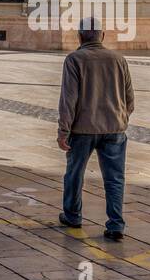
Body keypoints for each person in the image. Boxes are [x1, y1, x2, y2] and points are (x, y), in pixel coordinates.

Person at [57, 18, 135, 241]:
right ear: (102, 36)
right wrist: (120, 117)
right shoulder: (119, 59)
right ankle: (116, 224)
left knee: (74, 173)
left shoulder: (75, 59)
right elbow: (130, 98)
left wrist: (63, 131)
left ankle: (73, 215)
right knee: (114, 178)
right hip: (115, 129)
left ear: (80, 37)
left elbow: (68, 100)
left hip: (82, 129)